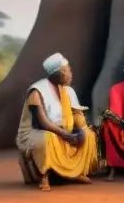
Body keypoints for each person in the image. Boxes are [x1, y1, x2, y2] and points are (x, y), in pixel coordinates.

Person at [16, 52, 99, 191]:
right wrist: (64, 134)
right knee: (48, 138)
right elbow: (41, 122)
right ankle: (44, 176)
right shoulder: (37, 91)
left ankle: (76, 173)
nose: (70, 74)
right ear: (57, 73)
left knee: (88, 135)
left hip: (64, 130)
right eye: (67, 71)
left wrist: (83, 128)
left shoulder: (68, 91)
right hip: (37, 131)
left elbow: (76, 113)